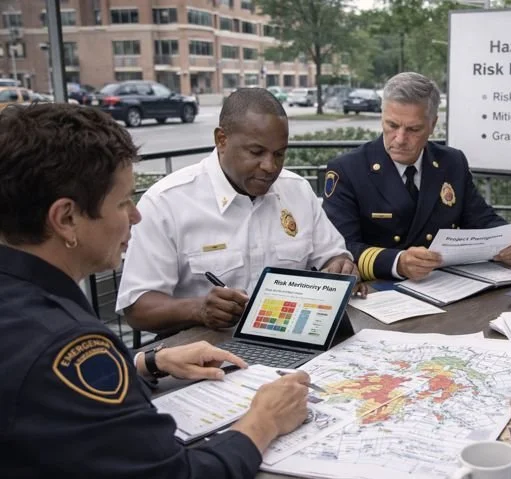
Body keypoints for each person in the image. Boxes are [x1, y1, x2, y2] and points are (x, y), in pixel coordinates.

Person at [0, 104, 312, 479]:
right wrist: (263, 421)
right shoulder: (66, 344)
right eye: (123, 201)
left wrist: (145, 363)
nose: (136, 215)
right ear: (66, 218)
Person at [116, 88, 361, 335]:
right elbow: (137, 308)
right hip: (203, 354)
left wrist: (340, 266)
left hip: (295, 342)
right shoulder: (166, 203)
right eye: (256, 152)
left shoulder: (297, 191)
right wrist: (197, 309)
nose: (270, 166)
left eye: (279, 154)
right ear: (222, 140)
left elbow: (333, 256)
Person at [322, 72, 511, 281]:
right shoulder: (348, 169)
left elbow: (482, 219)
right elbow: (341, 248)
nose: (400, 139)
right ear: (382, 117)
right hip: (379, 290)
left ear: (432, 124)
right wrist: (398, 262)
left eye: (413, 129)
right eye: (392, 125)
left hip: (445, 287)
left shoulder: (452, 162)